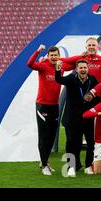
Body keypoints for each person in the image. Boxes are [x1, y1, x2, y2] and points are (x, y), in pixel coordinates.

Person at [27, 45, 74, 175]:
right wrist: (38, 51)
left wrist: (83, 55)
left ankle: (45, 161)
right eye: (51, 55)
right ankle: (43, 165)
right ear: (48, 56)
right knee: (44, 136)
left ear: (59, 56)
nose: (53, 57)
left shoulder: (61, 66)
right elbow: (29, 64)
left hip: (55, 105)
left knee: (52, 136)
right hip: (42, 105)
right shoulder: (43, 65)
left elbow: (74, 64)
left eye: (55, 55)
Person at [55, 59, 99, 177]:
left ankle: (88, 165)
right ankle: (71, 167)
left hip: (87, 117)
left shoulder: (92, 80)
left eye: (85, 67)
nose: (83, 70)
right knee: (72, 143)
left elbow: (98, 93)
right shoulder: (71, 78)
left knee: (91, 142)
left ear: (88, 68)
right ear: (76, 69)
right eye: (81, 68)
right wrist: (58, 70)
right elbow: (59, 80)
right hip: (72, 118)